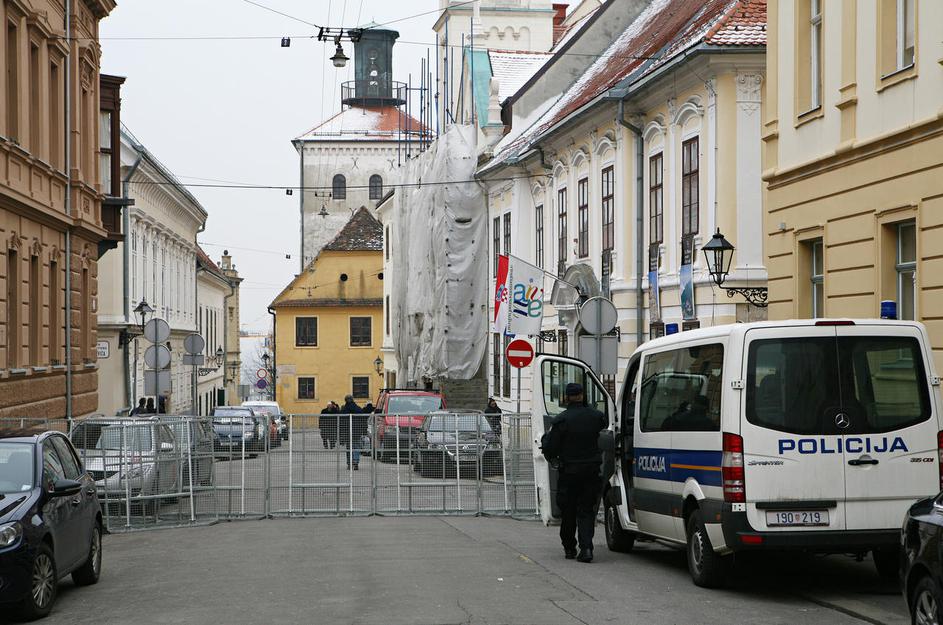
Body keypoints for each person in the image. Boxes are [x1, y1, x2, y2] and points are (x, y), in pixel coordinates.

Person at [543, 382, 608, 563]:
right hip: (591, 471)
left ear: (567, 397)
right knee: (586, 510)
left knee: (568, 511)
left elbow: (550, 447)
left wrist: (550, 453)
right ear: (582, 395)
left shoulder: (561, 420)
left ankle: (570, 548)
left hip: (569, 472)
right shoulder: (597, 417)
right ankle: (586, 549)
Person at [339, 395, 363, 470]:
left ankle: (349, 463)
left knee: (349, 448)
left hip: (347, 431)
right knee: (356, 447)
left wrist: (341, 433)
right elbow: (362, 419)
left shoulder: (344, 410)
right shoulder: (358, 408)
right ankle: (356, 462)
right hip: (357, 431)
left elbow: (341, 422)